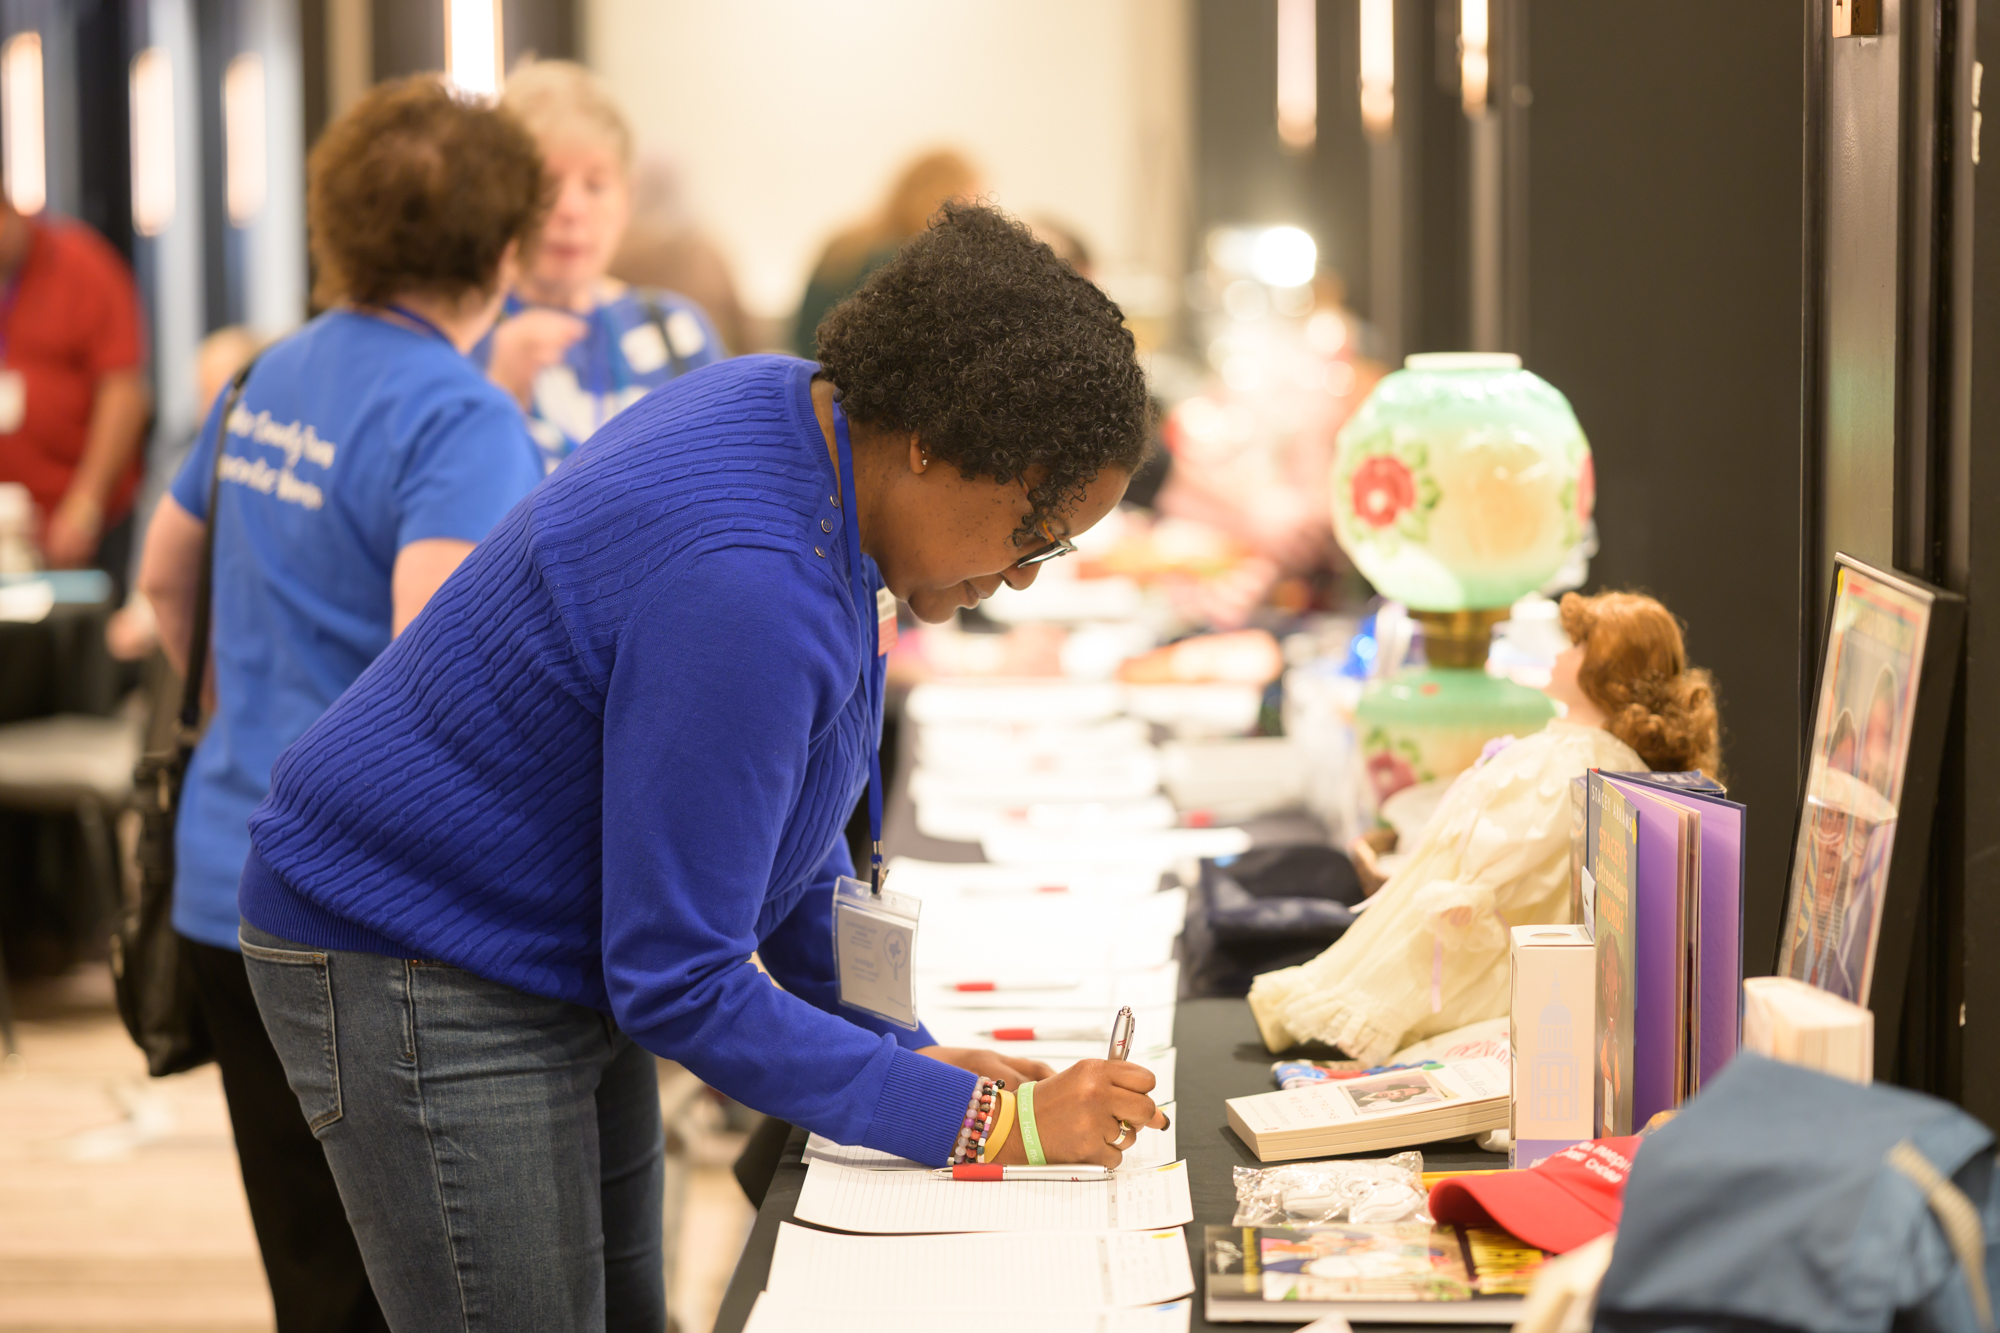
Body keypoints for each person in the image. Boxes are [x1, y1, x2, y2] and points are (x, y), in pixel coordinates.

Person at [236, 203, 1161, 1332]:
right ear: (932, 440)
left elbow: (778, 818)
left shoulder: (801, 419)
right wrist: (991, 1129)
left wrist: (908, 1056)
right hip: (411, 943)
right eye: (1033, 530)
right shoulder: (752, 585)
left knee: (627, 1309)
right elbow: (680, 977)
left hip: (539, 925)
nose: (1022, 578)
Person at [134, 77, 550, 1333]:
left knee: (312, 1272)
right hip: (353, 919)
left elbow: (164, 573)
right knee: (406, 1288)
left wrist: (252, 709)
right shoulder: (457, 415)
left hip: (222, 881)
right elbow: (441, 671)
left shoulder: (266, 375)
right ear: (505, 249)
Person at [1248, 591, 1722, 1063]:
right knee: (1375, 957)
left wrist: (1478, 882)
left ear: (1604, 665)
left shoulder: (1578, 757)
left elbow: (1526, 838)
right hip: (1479, 895)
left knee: (1402, 970)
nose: (1560, 654)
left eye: (1576, 646)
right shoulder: (1576, 749)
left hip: (1493, 916)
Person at [475, 59, 723, 471]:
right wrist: (497, 386)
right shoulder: (464, 335)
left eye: (595, 185)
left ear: (627, 196)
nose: (571, 210)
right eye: (544, 186)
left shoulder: (674, 333)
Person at [0, 196, 152, 583]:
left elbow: (123, 392)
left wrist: (86, 504)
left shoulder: (81, 265)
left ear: (10, 214)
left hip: (81, 521)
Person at [792, 148, 982, 358]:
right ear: (947, 204)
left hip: (807, 376)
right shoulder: (913, 264)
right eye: (969, 205)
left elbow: (800, 332)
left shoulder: (842, 244)